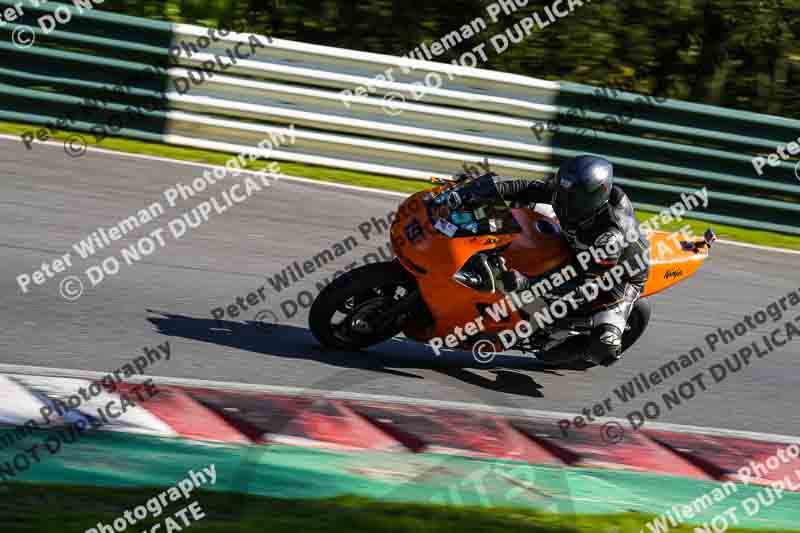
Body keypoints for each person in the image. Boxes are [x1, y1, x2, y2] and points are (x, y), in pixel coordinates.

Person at [494, 155, 650, 366]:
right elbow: (527, 187)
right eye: (562, 193)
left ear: (594, 197)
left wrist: (527, 284)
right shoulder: (570, 194)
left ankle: (578, 345)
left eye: (573, 198)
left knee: (605, 347)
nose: (563, 202)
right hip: (579, 244)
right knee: (520, 203)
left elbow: (586, 286)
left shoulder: (611, 236)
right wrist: (485, 189)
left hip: (616, 277)